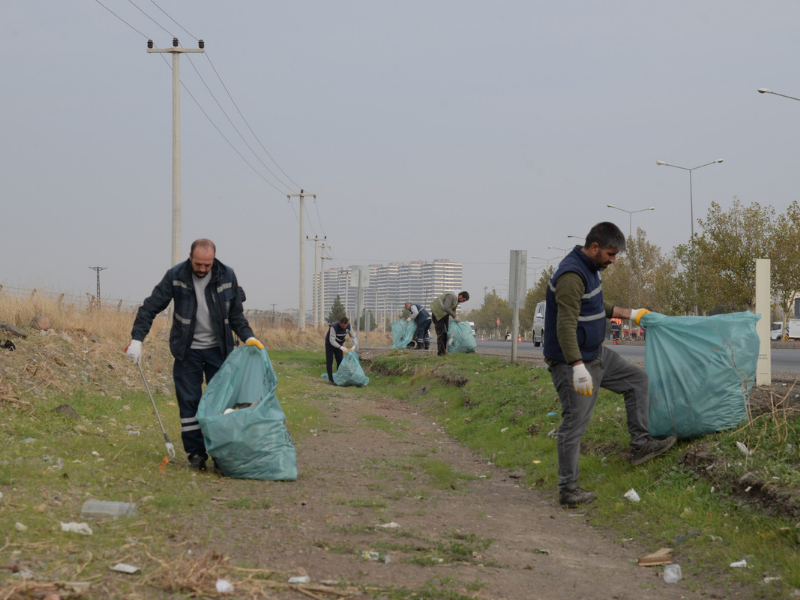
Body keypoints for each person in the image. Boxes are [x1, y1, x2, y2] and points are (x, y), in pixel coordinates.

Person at [543, 222, 676, 508]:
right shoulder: (571, 275)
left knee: (637, 380)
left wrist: (631, 314)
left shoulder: (590, 269)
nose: (613, 260)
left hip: (597, 354)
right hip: (573, 363)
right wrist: (577, 366)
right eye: (611, 254)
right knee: (574, 425)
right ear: (594, 247)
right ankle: (568, 490)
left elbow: (593, 307)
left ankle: (640, 446)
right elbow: (564, 325)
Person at [125, 239, 262, 472]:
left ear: (213, 260)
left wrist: (248, 337)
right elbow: (150, 307)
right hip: (186, 351)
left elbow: (236, 315)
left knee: (221, 404)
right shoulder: (176, 276)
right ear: (190, 257)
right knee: (189, 404)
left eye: (207, 265)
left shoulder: (227, 275)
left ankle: (221, 456)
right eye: (198, 264)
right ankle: (196, 455)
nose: (202, 269)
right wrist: (137, 339)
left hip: (219, 351)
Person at [430, 290, 470, 356]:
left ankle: (444, 351)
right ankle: (440, 353)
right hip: (437, 314)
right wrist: (454, 316)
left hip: (444, 315)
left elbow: (453, 309)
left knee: (446, 334)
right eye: (463, 299)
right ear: (460, 296)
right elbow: (446, 307)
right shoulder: (451, 296)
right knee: (441, 334)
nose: (463, 301)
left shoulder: (456, 300)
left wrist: (454, 317)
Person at [325, 316, 357, 384]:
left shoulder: (348, 326)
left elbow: (353, 336)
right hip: (330, 345)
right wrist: (341, 347)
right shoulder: (333, 327)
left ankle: (339, 377)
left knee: (340, 361)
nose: (344, 327)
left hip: (339, 344)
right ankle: (330, 379)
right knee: (329, 361)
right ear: (340, 323)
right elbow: (332, 340)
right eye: (343, 326)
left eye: (345, 326)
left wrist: (354, 346)